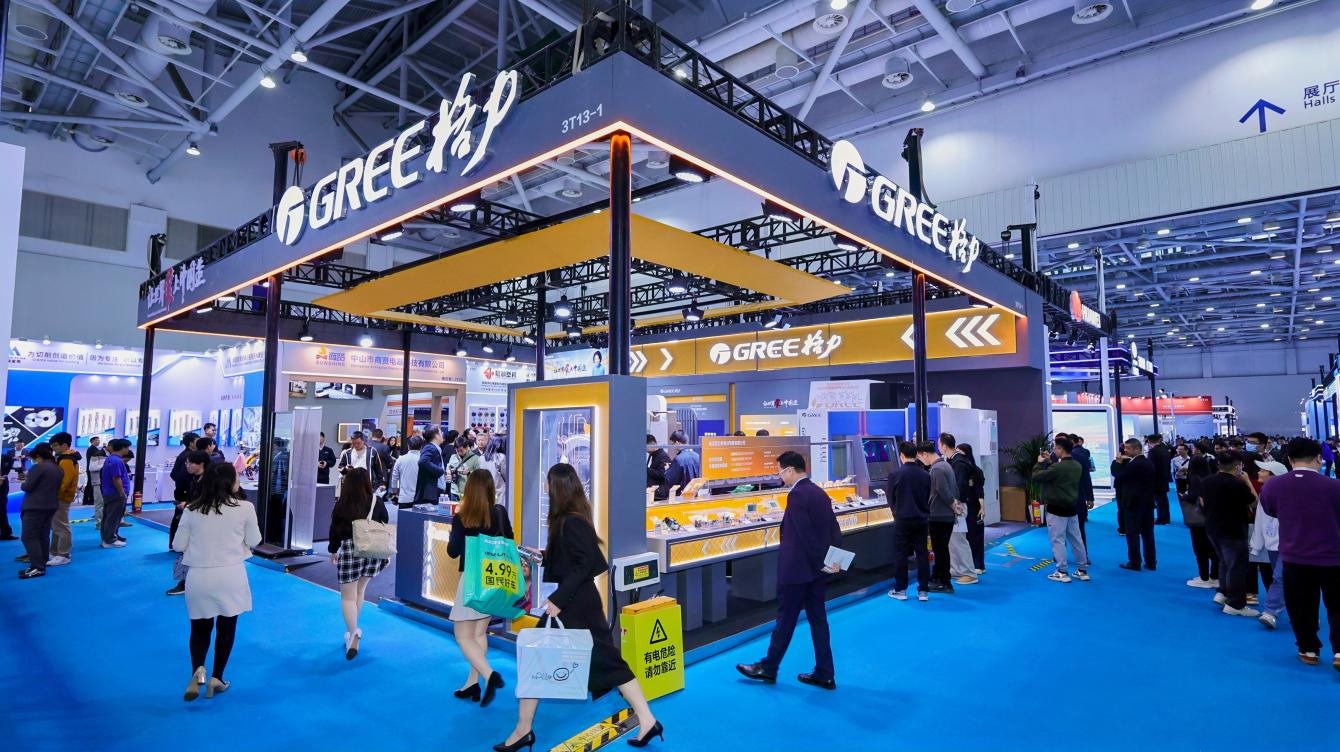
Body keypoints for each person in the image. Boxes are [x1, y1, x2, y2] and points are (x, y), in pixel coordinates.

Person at [497, 463, 661, 751]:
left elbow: (587, 563)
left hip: (575, 605)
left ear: (557, 487)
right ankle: (524, 729)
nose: (545, 486)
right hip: (577, 602)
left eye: (548, 481)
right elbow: (575, 558)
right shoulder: (572, 519)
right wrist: (543, 555)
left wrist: (558, 600)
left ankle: (524, 730)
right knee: (545, 660)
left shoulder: (571, 521)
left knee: (558, 660)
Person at [737, 451, 842, 690]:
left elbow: (805, 534)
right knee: (818, 621)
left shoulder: (796, 495)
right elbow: (833, 528)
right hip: (817, 572)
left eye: (781, 472)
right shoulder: (819, 493)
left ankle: (768, 667)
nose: (780, 476)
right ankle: (825, 672)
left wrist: (820, 560)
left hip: (797, 571)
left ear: (791, 470)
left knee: (785, 620)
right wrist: (833, 560)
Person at [173, 462, 261, 701]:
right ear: (231, 482)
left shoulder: (192, 509)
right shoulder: (245, 508)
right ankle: (217, 678)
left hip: (199, 576)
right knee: (227, 627)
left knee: (199, 628)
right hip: (231, 575)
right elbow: (254, 540)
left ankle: (198, 671)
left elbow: (178, 545)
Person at [1260, 438, 1340, 667]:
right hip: (1333, 556)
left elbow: (1271, 510)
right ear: (1319, 458)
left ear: (1289, 459)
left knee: (1300, 605)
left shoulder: (1273, 486)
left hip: (1294, 555)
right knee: (1337, 605)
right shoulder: (1335, 486)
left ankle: (1308, 649)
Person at [446, 469, 514, 707]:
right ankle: (472, 683)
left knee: (462, 635)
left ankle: (489, 675)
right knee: (478, 634)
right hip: (495, 579)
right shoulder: (500, 512)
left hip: (472, 579)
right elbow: (510, 542)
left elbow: (452, 551)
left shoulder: (463, 517)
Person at [327, 467, 389, 660]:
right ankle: (351, 631)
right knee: (360, 592)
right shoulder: (377, 501)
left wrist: (333, 549)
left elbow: (334, 529)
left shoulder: (342, 504)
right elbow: (385, 524)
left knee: (347, 597)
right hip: (372, 550)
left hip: (350, 550)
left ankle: (353, 631)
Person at [1201, 451, 1259, 617]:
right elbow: (1254, 502)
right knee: (1237, 566)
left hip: (1212, 527)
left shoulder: (1207, 481)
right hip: (1233, 529)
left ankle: (1223, 592)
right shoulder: (1237, 484)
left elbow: (1203, 502)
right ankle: (1236, 604)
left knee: (1224, 561)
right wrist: (1247, 480)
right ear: (1238, 466)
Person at [1031, 436, 1089, 584]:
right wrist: (1051, 462)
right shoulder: (1077, 465)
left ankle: (1062, 572)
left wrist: (1039, 463)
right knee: (1076, 540)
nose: (1053, 451)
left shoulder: (1058, 467)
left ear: (1060, 449)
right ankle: (1082, 570)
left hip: (1056, 509)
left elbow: (1037, 476)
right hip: (1072, 508)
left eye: (1055, 448)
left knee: (1058, 540)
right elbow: (1060, 473)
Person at [887, 440, 931, 601]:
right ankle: (923, 590)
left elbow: (890, 498)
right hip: (921, 519)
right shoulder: (925, 475)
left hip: (902, 520)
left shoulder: (895, 474)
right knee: (922, 553)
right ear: (916, 455)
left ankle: (901, 589)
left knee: (901, 554)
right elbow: (928, 497)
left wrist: (896, 512)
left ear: (902, 456)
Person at [166, 451, 210, 596]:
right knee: (185, 551)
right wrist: (187, 504)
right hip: (192, 521)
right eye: (187, 462)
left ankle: (186, 583)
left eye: (191, 463)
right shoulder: (194, 479)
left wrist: (188, 505)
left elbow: (207, 503)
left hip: (202, 524)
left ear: (201, 464)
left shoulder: (209, 482)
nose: (187, 465)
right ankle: (184, 581)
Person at [17, 443, 61, 579]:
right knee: (43, 535)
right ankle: (42, 561)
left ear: (38, 456)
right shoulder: (57, 468)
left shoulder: (38, 467)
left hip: (35, 506)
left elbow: (27, 487)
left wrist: (23, 483)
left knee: (29, 536)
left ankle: (37, 567)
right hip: (51, 505)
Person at [1251, 460, 1286, 630]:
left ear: (1274, 475)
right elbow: (1259, 521)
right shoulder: (1264, 493)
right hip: (1272, 544)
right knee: (1284, 578)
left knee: (1280, 577)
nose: (1259, 473)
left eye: (1263, 471)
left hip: (1290, 544)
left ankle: (1270, 612)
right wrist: (1256, 545)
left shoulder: (1288, 494)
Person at [1113, 438, 1157, 572]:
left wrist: (1118, 463)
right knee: (1148, 534)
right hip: (1147, 503)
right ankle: (1151, 562)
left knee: (1132, 534)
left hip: (1133, 504)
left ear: (1137, 449)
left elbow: (1118, 477)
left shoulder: (1134, 464)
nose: (1125, 450)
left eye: (1128, 448)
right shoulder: (1147, 462)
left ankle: (1134, 562)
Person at [1182, 442, 1219, 589]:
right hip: (1211, 518)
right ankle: (1214, 576)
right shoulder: (1211, 478)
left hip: (1198, 519)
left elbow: (1193, 496)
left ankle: (1204, 577)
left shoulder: (1195, 479)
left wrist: (1184, 496)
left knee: (1200, 548)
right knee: (1212, 548)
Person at [942, 434, 977, 586]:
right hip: (956, 505)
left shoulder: (959, 462)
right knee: (953, 541)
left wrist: (955, 503)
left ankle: (969, 573)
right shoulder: (955, 461)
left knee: (959, 540)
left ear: (944, 446)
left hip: (958, 505)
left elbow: (960, 485)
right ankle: (956, 570)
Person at [924, 441, 958, 593]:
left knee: (940, 550)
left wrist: (953, 504)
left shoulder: (936, 469)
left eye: (920, 457)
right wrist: (954, 504)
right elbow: (954, 489)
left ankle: (944, 582)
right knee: (941, 549)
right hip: (945, 515)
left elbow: (943, 491)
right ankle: (938, 578)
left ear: (924, 454)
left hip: (939, 515)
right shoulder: (946, 465)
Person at [47, 432, 79, 567]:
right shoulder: (65, 457)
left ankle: (64, 554)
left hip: (61, 497)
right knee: (57, 526)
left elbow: (65, 481)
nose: (53, 448)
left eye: (55, 445)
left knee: (61, 526)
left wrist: (55, 494)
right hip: (60, 496)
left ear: (64, 445)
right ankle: (55, 552)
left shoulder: (66, 459)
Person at [957, 443, 988, 574]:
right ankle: (970, 565)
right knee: (966, 537)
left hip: (973, 506)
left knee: (976, 536)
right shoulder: (959, 469)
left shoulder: (975, 471)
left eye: (959, 452)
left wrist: (982, 506)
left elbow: (979, 490)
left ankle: (978, 565)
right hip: (964, 506)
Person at [169, 432, 202, 550]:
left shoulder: (184, 455)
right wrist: (187, 489)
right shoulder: (189, 456)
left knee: (180, 518)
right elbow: (181, 475)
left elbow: (173, 474)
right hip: (185, 492)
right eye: (197, 440)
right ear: (191, 443)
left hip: (182, 491)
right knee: (182, 519)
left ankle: (174, 544)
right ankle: (178, 545)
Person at [99, 439, 132, 548]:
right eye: (127, 448)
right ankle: (110, 540)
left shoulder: (112, 459)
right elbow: (116, 478)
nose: (128, 450)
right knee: (113, 517)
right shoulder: (116, 461)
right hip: (115, 493)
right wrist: (122, 492)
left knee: (110, 516)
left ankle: (110, 536)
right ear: (123, 448)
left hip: (111, 492)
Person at [1070, 435, 1095, 554]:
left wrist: (1090, 497)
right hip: (1059, 501)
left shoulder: (1080, 457)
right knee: (1058, 533)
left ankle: (1083, 555)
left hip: (1077, 498)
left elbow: (1086, 477)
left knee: (1079, 528)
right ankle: (1060, 556)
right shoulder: (1053, 458)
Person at [390, 435, 423, 508]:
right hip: (420, 498)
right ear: (421, 447)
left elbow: (394, 478)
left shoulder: (400, 459)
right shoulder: (424, 460)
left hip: (404, 498)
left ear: (408, 446)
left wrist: (394, 494)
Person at [1146, 434, 1173, 525]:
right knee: (1163, 499)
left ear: (1149, 441)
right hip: (1164, 477)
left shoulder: (1153, 451)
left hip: (1156, 479)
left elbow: (1150, 467)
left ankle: (1161, 519)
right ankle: (1165, 518)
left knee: (1159, 500)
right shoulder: (1164, 449)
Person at [665, 430, 700, 496]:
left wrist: (667, 470)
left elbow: (669, 480)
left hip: (681, 497)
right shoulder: (698, 456)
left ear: (677, 443)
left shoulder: (679, 459)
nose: (673, 447)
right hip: (695, 495)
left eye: (672, 444)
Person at [416, 427, 446, 503]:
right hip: (429, 495)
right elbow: (423, 461)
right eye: (440, 432)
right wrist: (441, 471)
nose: (442, 434)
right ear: (436, 436)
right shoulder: (430, 447)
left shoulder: (435, 448)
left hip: (433, 492)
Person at [449, 435, 484, 499]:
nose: (459, 453)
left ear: (467, 447)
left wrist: (469, 473)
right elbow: (448, 469)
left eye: (461, 450)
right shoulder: (453, 457)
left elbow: (480, 476)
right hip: (454, 491)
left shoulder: (476, 458)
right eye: (457, 450)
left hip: (468, 492)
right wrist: (449, 473)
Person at [84, 435, 106, 530]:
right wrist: (104, 449)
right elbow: (94, 466)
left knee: (100, 500)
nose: (98, 442)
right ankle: (99, 521)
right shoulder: (92, 450)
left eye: (99, 440)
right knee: (98, 499)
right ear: (92, 441)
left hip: (99, 478)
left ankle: (100, 518)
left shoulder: (96, 451)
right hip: (95, 477)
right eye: (96, 440)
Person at [646, 434, 671, 501]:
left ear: (651, 444)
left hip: (659, 495)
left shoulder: (663, 456)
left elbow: (662, 475)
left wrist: (646, 469)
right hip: (651, 493)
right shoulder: (652, 454)